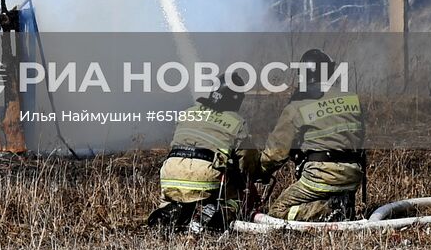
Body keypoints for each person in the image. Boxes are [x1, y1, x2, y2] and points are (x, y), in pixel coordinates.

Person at [256, 48, 366, 222]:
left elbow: (276, 153)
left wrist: (258, 171)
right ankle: (339, 204)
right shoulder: (352, 98)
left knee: (277, 212)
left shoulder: (296, 107)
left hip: (321, 175)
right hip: (353, 175)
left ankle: (329, 208)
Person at [148, 78, 252, 234]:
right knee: (235, 194)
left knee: (173, 199)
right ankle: (218, 216)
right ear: (236, 99)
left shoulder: (188, 112)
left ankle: (169, 212)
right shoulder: (237, 122)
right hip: (205, 175)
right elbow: (246, 160)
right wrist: (252, 175)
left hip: (171, 171)